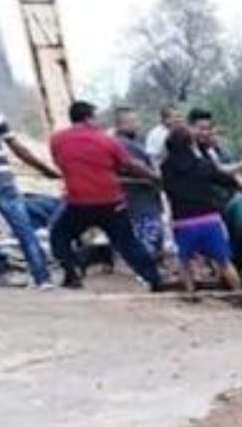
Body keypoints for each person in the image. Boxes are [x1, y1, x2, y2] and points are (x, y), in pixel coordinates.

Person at [48, 100, 164, 290]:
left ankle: (72, 273)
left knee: (59, 235)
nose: (99, 122)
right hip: (111, 201)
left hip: (78, 202)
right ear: (88, 118)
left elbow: (60, 162)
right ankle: (153, 278)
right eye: (96, 118)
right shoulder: (106, 140)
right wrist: (155, 178)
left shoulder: (56, 140)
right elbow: (130, 165)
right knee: (128, 243)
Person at [0, 69, 60, 290]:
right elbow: (18, 149)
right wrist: (45, 170)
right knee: (23, 228)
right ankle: (42, 278)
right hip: (3, 179)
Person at [159, 124, 242, 293]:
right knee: (224, 261)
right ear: (190, 144)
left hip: (182, 222)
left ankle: (191, 292)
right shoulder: (203, 165)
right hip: (208, 219)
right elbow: (224, 180)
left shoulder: (165, 168)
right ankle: (238, 292)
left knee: (184, 262)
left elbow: (166, 189)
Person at [112, 107, 166, 262]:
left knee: (153, 237)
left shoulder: (135, 142)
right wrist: (157, 178)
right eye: (133, 121)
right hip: (138, 200)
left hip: (145, 197)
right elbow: (136, 168)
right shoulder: (123, 145)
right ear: (121, 124)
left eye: (137, 120)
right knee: (149, 239)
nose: (137, 124)